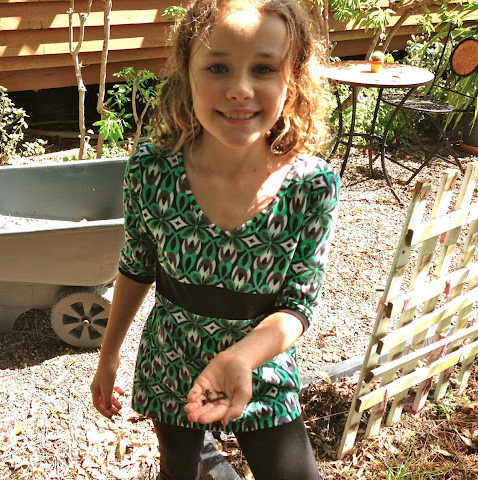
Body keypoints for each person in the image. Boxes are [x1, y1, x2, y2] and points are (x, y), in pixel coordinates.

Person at [91, 0, 339, 478]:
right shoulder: (152, 169)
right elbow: (137, 266)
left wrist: (241, 357)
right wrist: (109, 356)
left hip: (260, 364)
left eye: (263, 68)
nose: (240, 89)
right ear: (187, 74)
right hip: (170, 357)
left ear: (292, 78)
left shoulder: (312, 185)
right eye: (218, 67)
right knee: (179, 470)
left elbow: (298, 305)